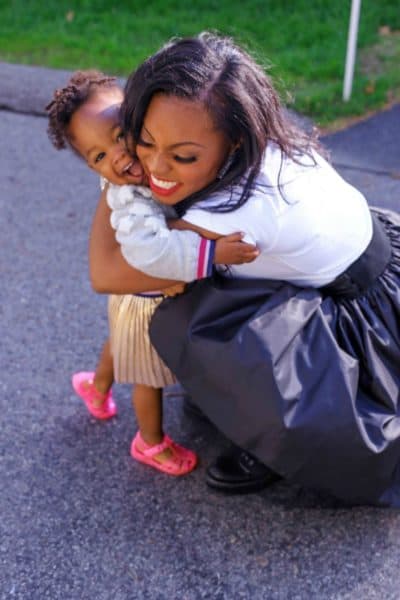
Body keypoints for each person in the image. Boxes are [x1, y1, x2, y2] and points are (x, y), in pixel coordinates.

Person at [89, 32, 400, 507]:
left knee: (185, 310)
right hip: (377, 275)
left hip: (352, 327)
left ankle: (273, 444)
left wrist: (114, 180)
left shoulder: (230, 215)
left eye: (182, 156)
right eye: (144, 142)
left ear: (233, 138)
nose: (153, 166)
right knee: (202, 279)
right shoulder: (270, 139)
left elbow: (107, 272)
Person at [46, 69, 259, 476]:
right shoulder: (131, 199)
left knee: (117, 341)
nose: (119, 156)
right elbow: (153, 250)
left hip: (128, 297)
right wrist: (211, 252)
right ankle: (150, 442)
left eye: (118, 134)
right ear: (93, 168)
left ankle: (97, 387)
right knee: (148, 378)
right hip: (146, 302)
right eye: (99, 157)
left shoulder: (151, 169)